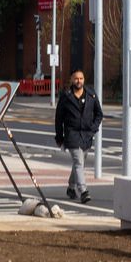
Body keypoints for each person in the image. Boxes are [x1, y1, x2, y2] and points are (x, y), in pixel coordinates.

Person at [55, 68, 102, 203]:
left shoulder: (91, 94)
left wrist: (93, 128)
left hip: (87, 135)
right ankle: (83, 191)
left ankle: (71, 187)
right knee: (78, 162)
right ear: (71, 80)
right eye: (76, 78)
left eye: (81, 78)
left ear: (84, 80)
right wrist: (59, 137)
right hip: (72, 134)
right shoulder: (66, 96)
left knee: (80, 163)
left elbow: (99, 114)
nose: (78, 81)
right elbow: (59, 118)